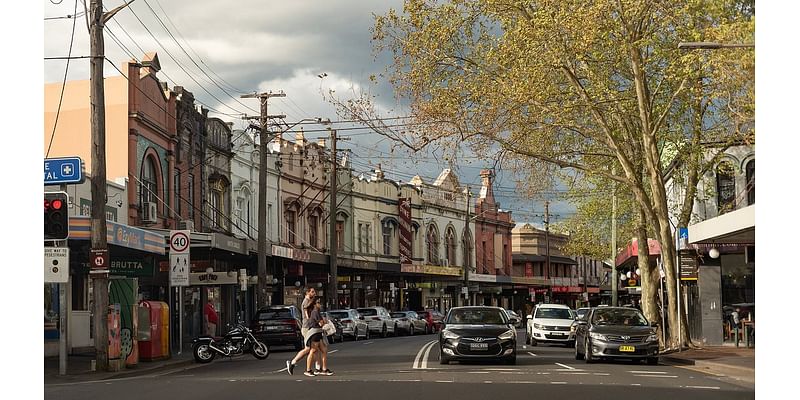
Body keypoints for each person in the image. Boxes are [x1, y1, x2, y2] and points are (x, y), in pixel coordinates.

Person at [287, 287, 322, 375]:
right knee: (308, 349)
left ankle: (318, 368)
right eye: (312, 292)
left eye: (314, 292)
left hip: (311, 327)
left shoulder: (309, 301)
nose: (314, 293)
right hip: (307, 328)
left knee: (317, 348)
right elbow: (308, 316)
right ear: (307, 293)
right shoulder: (306, 302)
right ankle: (292, 363)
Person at [301, 297, 332, 376]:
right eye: (318, 303)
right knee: (313, 350)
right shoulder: (315, 312)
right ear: (314, 304)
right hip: (314, 333)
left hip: (318, 332)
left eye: (320, 303)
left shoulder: (317, 311)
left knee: (324, 350)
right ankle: (308, 370)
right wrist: (324, 321)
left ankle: (324, 369)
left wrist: (323, 321)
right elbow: (321, 323)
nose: (320, 304)